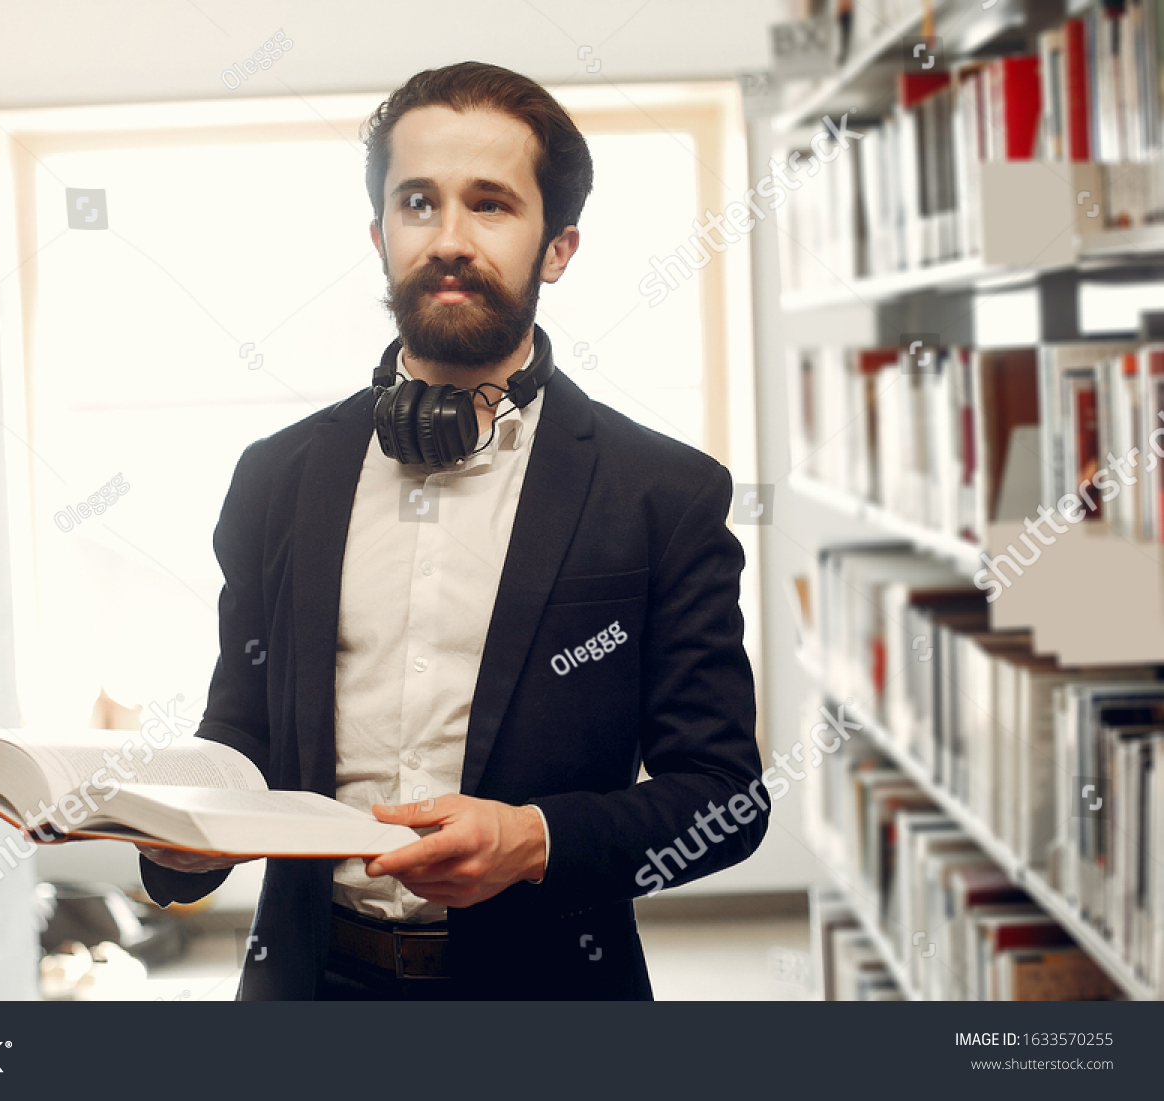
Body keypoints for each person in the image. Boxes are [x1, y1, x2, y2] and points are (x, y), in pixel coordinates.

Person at [137, 60, 766, 1000]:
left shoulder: (662, 493)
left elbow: (723, 798)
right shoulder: (278, 476)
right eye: (419, 203)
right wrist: (183, 841)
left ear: (558, 246)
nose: (450, 239)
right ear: (381, 232)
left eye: (492, 205)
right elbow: (244, 726)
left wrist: (534, 841)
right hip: (308, 988)